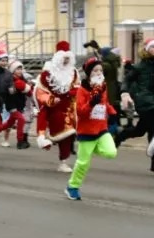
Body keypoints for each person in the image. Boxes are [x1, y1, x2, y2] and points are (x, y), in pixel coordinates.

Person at [64, 58, 118, 200]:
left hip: (101, 128)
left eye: (100, 70)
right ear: (89, 73)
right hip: (87, 131)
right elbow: (81, 112)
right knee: (83, 163)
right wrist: (91, 103)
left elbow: (105, 103)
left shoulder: (102, 87)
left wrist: (112, 113)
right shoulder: (82, 90)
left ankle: (93, 148)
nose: (99, 73)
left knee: (111, 152)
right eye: (95, 70)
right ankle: (72, 187)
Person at [35, 41, 79, 172]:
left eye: (68, 59)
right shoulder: (47, 74)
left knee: (68, 135)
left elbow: (77, 87)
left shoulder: (73, 73)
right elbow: (40, 91)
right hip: (53, 106)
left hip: (69, 108)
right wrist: (51, 100)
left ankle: (63, 161)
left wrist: (73, 92)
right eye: (63, 58)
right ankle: (43, 137)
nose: (65, 61)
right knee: (56, 129)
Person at [115, 38, 154, 172]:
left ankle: (120, 135)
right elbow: (126, 80)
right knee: (153, 128)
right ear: (147, 50)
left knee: (140, 130)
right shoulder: (139, 66)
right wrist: (125, 93)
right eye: (153, 47)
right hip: (144, 101)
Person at [3, 60, 35, 149]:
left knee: (8, 124)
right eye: (17, 69)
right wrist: (24, 87)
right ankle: (20, 141)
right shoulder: (10, 80)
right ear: (13, 70)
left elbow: (28, 92)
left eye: (21, 69)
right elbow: (10, 93)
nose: (20, 71)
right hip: (12, 105)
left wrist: (28, 88)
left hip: (20, 105)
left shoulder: (22, 80)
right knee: (21, 119)